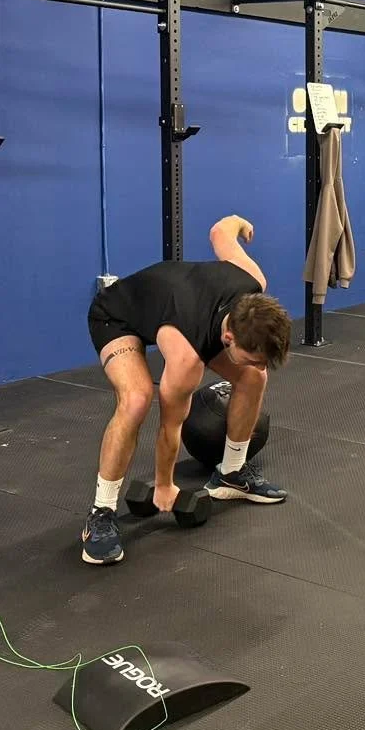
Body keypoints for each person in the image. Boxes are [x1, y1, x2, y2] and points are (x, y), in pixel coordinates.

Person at [80, 214, 292, 566]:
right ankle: (100, 513)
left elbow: (219, 231)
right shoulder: (185, 359)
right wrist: (165, 484)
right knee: (136, 400)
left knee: (254, 378)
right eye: (254, 357)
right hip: (117, 314)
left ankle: (232, 474)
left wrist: (239, 222)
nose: (258, 363)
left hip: (174, 307)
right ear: (229, 338)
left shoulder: (251, 279)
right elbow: (170, 427)